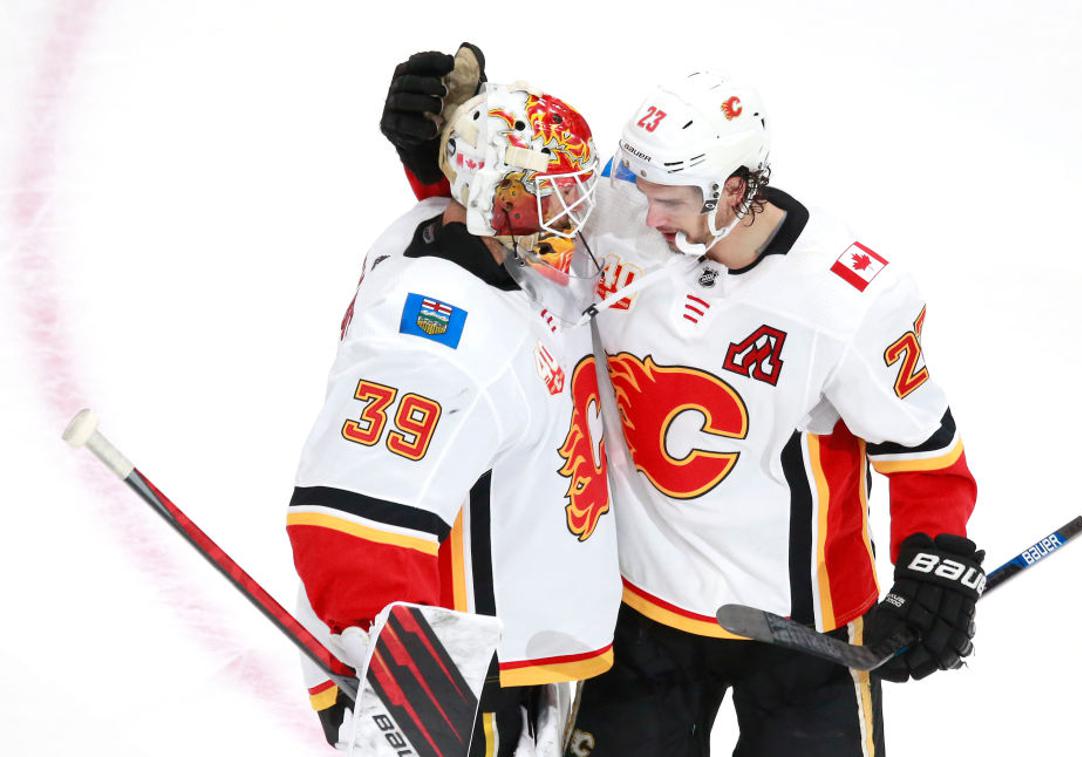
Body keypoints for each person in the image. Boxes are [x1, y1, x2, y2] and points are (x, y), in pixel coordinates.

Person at [385, 48, 983, 756]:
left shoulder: (847, 299)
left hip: (805, 628)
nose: (646, 212)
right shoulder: (620, 215)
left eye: (669, 200)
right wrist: (433, 156)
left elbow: (923, 451)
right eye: (639, 188)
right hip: (643, 612)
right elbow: (502, 217)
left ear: (734, 190)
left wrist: (933, 563)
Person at [288, 75, 621, 756]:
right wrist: (413, 704)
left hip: (509, 665)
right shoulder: (440, 334)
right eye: (548, 195)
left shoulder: (479, 252)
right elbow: (353, 525)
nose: (572, 211)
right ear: (491, 200)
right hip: (455, 688)